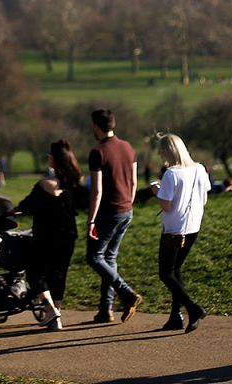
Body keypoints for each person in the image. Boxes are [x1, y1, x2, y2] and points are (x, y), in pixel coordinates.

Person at [14, 139, 84, 331]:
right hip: (69, 235)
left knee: (35, 273)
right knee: (59, 274)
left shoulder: (44, 185)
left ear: (54, 159)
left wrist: (12, 211)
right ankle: (56, 317)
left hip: (46, 235)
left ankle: (50, 309)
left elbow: (25, 206)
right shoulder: (74, 185)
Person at [85, 108, 143, 324]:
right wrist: (129, 203)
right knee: (109, 258)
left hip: (108, 211)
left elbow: (97, 190)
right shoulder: (129, 148)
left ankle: (126, 293)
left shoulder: (98, 152)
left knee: (94, 257)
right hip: (127, 209)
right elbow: (135, 182)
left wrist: (91, 219)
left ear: (96, 126)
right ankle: (105, 310)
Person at [151, 133, 212, 333]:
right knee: (176, 269)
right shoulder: (199, 169)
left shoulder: (171, 174)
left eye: (161, 150)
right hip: (193, 227)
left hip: (174, 229)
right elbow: (204, 200)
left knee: (166, 273)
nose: (160, 154)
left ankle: (192, 308)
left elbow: (166, 206)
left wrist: (156, 191)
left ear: (168, 150)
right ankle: (175, 317)